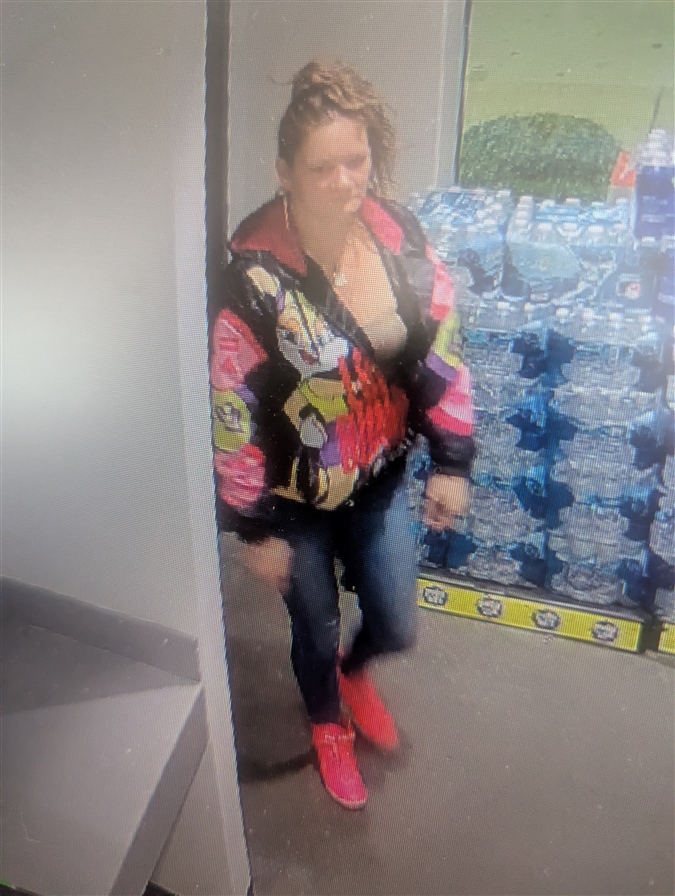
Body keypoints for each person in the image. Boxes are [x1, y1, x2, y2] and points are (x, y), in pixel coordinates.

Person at [211, 59, 475, 810]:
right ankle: (327, 723)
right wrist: (253, 524)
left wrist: (452, 459)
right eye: (320, 167)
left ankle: (356, 676)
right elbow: (232, 408)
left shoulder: (401, 241)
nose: (343, 182)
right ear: (284, 173)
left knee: (393, 619)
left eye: (354, 161)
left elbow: (443, 352)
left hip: (380, 477)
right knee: (314, 624)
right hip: (292, 500)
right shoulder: (252, 280)